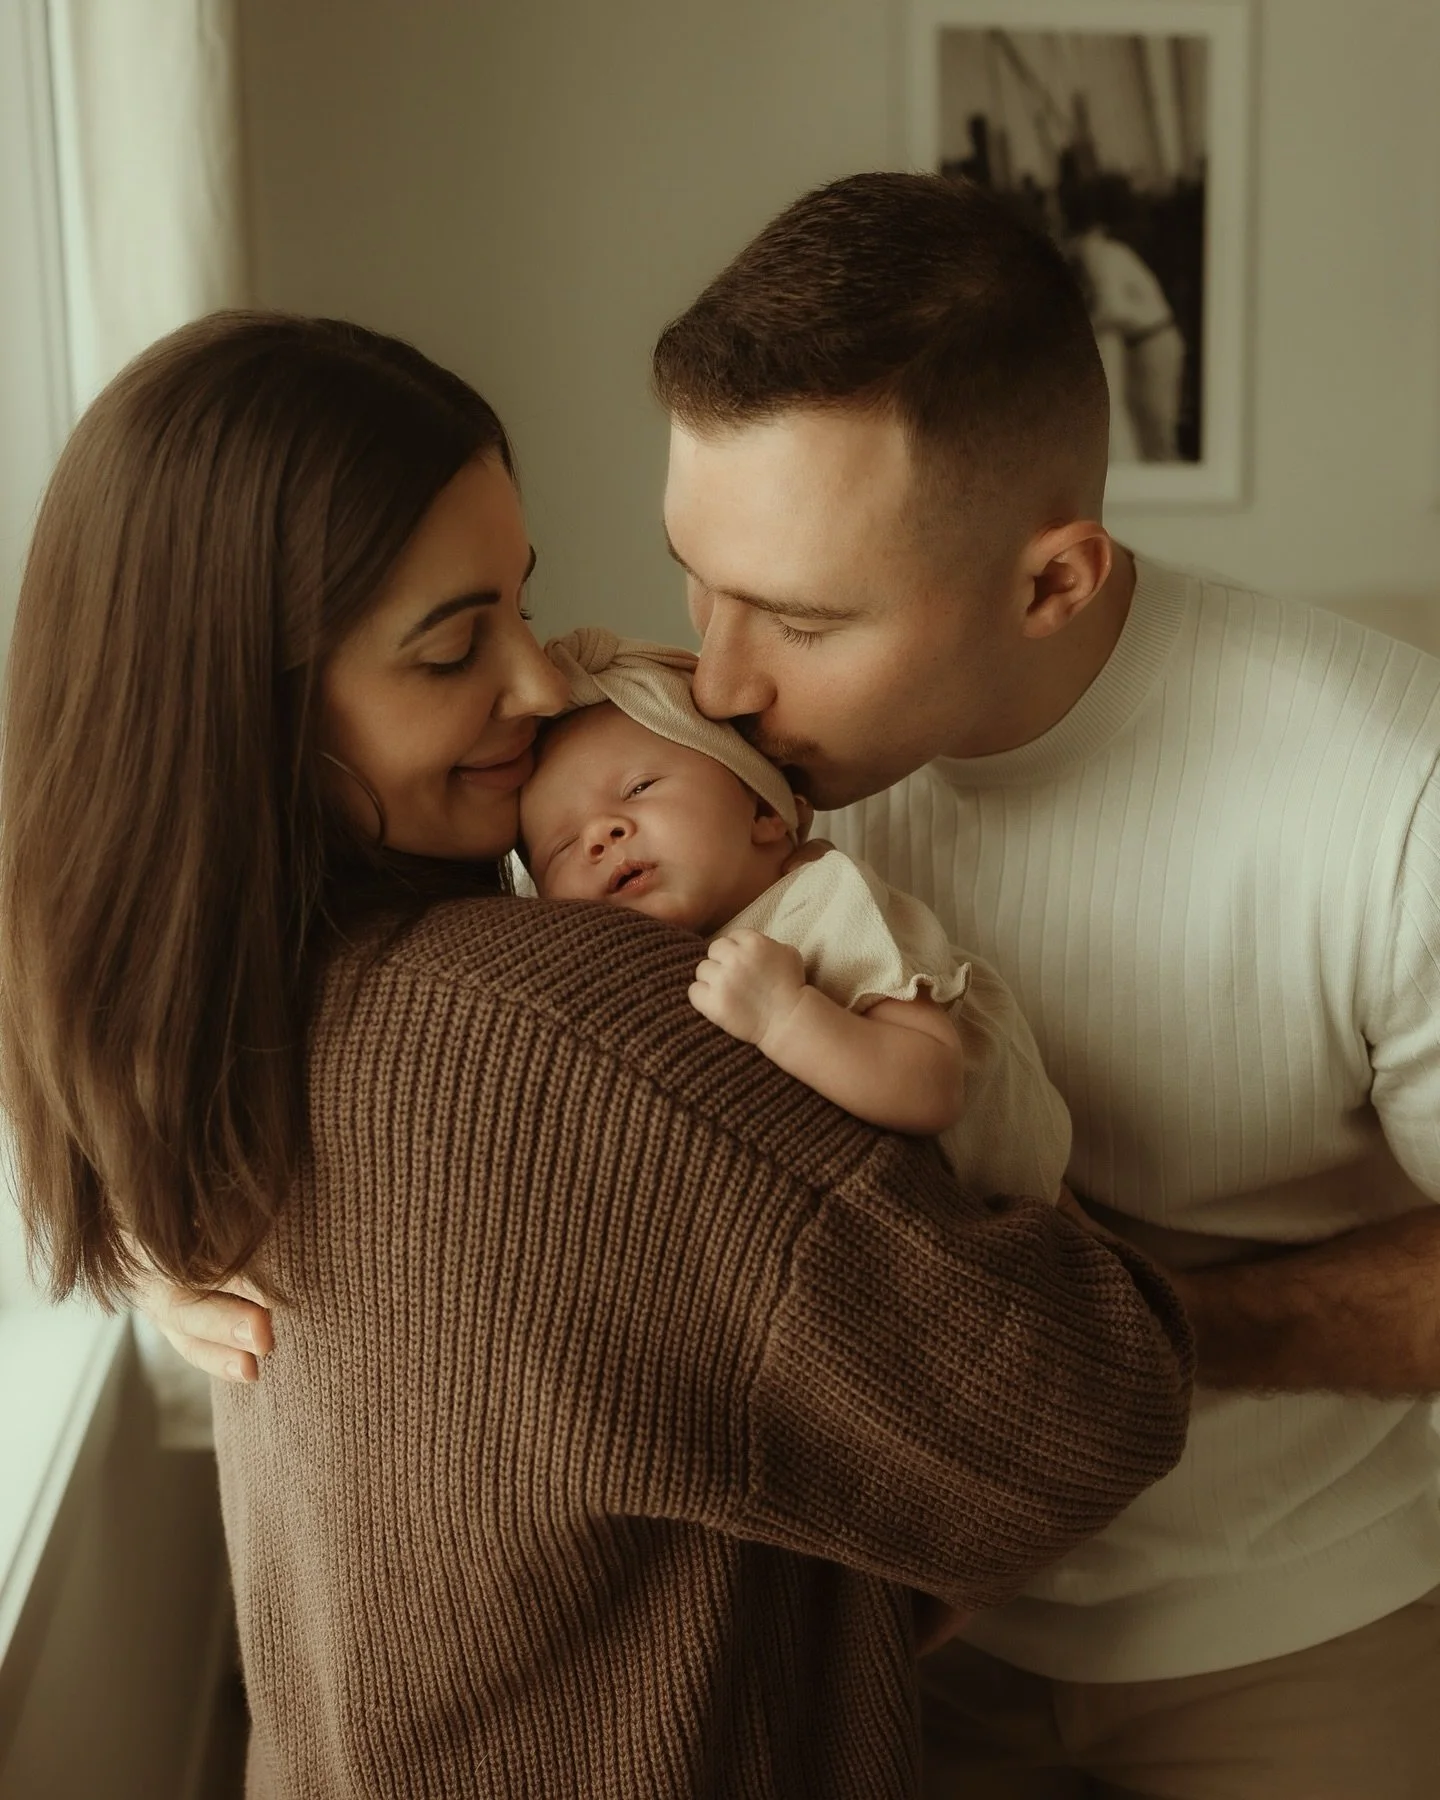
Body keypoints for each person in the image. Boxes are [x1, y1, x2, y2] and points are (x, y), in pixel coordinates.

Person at [0, 310, 1193, 1800]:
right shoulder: (565, 1037)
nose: (539, 684)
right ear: (242, 715)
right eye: (450, 651)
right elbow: (1088, 1411)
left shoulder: (208, 1040)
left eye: (521, 604)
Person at [649, 171, 1440, 1797]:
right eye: (695, 578)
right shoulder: (703, 766)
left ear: (1054, 582)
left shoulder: (1393, 792)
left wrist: (1119, 1340)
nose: (717, 679)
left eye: (798, 616)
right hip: (888, 1625)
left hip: (1295, 1633)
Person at [520, 628, 1070, 1205]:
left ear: (762, 811)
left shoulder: (822, 900)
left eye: (639, 788)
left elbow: (930, 1086)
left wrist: (785, 1016)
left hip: (1012, 1193)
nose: (601, 835)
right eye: (561, 846)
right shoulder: (640, 968)